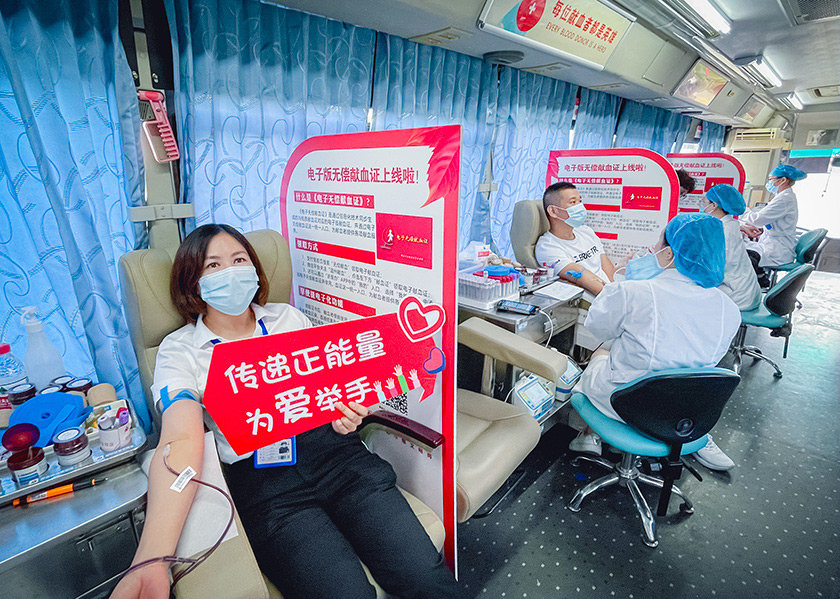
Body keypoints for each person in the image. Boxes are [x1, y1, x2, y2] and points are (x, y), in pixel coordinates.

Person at [111, 224, 459, 599]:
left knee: (425, 578)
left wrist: (346, 414)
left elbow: (329, 395)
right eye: (213, 265)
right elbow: (180, 438)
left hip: (338, 459)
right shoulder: (179, 350)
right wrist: (151, 558)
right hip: (267, 488)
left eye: (239, 259)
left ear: (254, 269)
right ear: (193, 283)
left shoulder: (288, 319)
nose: (230, 272)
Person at [568, 213, 740, 471]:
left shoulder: (633, 291)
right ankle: (690, 440)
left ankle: (588, 436)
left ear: (669, 253)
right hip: (687, 411)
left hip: (627, 403)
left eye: (659, 243)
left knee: (600, 355)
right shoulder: (729, 309)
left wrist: (623, 284)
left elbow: (598, 328)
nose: (653, 249)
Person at [535, 181, 616, 296]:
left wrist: (619, 288)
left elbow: (608, 269)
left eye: (580, 201)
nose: (580, 207)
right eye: (573, 202)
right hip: (599, 299)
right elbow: (586, 279)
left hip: (612, 292)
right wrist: (617, 297)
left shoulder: (586, 231)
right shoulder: (547, 247)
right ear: (553, 211)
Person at [741, 164, 807, 287]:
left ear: (783, 180)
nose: (769, 183)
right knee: (746, 248)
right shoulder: (783, 196)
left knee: (743, 253)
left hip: (777, 249)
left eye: (771, 179)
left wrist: (740, 209)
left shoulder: (785, 199)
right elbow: (767, 220)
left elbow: (757, 219)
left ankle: (756, 281)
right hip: (774, 243)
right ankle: (759, 276)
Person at [701, 184, 762, 310]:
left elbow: (714, 268)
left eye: (704, 201)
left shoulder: (722, 231)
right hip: (747, 290)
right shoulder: (731, 224)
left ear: (713, 205)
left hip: (737, 296)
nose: (701, 205)